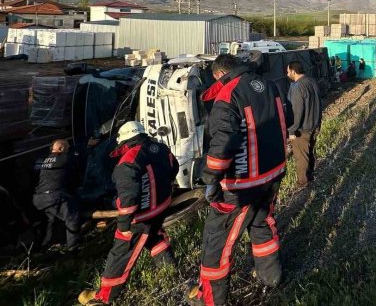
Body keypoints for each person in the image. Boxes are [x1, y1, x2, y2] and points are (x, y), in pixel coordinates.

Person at [187, 53, 286, 306]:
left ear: (219, 74)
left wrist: (210, 178)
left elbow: (223, 142)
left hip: (241, 184)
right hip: (273, 173)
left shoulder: (228, 93)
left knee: (217, 242)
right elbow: (288, 118)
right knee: (262, 223)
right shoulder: (270, 85)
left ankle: (210, 299)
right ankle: (271, 276)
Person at [78, 122, 178, 305]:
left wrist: (124, 225)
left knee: (121, 253)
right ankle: (170, 274)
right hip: (160, 208)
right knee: (155, 238)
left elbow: (128, 197)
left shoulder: (128, 161)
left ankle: (104, 297)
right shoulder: (161, 148)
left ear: (124, 140)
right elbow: (174, 168)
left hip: (140, 216)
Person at [33, 139, 81, 249]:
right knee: (72, 217)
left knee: (52, 221)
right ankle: (73, 248)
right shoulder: (65, 158)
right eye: (67, 148)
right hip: (53, 196)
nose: (68, 150)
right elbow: (76, 172)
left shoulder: (45, 160)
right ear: (61, 149)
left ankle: (47, 247)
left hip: (39, 198)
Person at [286, 61, 322, 188]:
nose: (287, 74)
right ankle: (310, 176)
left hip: (302, 129)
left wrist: (291, 130)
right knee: (310, 152)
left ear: (293, 71)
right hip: (315, 124)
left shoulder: (296, 87)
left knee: (301, 157)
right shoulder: (312, 81)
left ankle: (302, 183)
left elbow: (296, 111)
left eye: (288, 71)